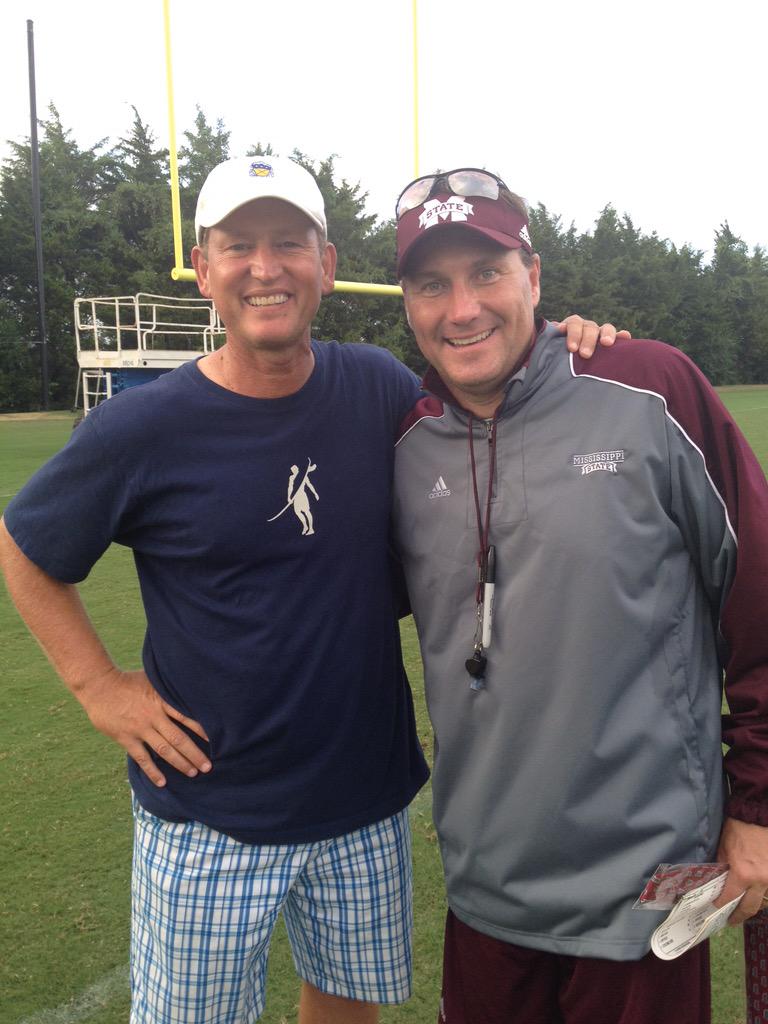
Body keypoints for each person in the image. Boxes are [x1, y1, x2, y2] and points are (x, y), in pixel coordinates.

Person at [0, 156, 621, 1024]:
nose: (266, 267)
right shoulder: (141, 427)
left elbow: (489, 414)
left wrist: (564, 344)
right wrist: (99, 689)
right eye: (239, 246)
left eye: (289, 243)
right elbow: (24, 546)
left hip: (361, 804)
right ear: (203, 266)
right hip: (208, 811)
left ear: (326, 266)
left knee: (345, 1011)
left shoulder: (373, 383)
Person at [391, 166, 768, 1024]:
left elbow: (759, 600)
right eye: (432, 284)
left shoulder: (650, 388)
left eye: (486, 273)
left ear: (533, 275)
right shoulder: (408, 446)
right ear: (407, 302)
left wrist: (756, 806)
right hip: (486, 891)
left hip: (644, 899)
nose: (462, 309)